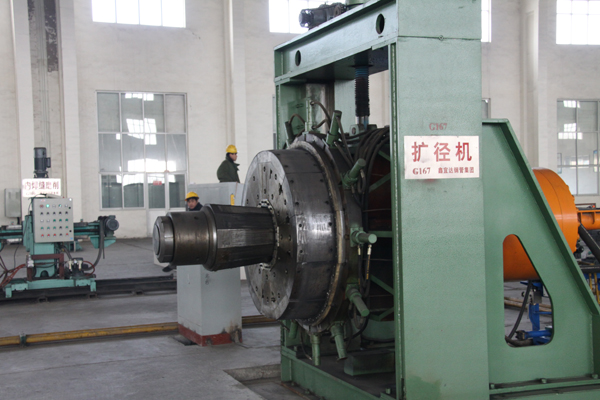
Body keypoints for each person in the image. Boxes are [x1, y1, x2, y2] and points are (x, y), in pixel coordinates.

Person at [162, 191, 203, 272]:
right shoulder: (189, 212)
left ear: (197, 201)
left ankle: (174, 265)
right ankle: (173, 264)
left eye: (192, 201)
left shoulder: (201, 212)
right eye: (189, 202)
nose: (190, 204)